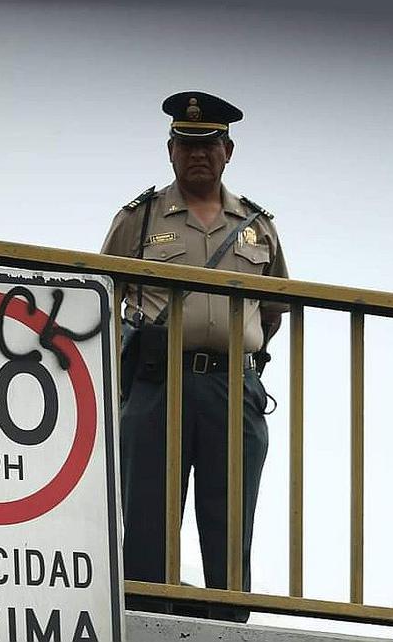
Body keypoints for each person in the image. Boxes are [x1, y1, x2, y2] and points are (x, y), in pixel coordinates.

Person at [100, 91, 288, 621]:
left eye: (208, 144)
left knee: (230, 520)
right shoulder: (139, 219)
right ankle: (144, 621)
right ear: (170, 151)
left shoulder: (257, 225)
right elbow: (101, 295)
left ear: (228, 151)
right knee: (148, 518)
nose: (198, 154)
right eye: (187, 144)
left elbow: (274, 308)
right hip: (157, 383)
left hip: (232, 387)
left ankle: (227, 626)